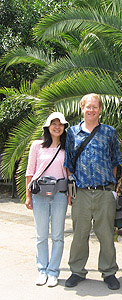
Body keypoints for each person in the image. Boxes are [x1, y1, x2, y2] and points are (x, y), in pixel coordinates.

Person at [64, 93, 122, 290]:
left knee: (106, 234)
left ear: (100, 109)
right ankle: (77, 271)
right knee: (79, 234)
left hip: (104, 192)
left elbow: (115, 162)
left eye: (95, 107)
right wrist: (71, 191)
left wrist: (111, 189)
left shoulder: (109, 132)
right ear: (82, 108)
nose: (91, 110)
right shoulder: (72, 133)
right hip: (80, 192)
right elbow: (69, 164)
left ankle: (108, 271)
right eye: (88, 107)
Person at [25, 112, 69, 287]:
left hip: (60, 195)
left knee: (58, 236)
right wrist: (28, 196)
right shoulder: (37, 145)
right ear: (48, 126)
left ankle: (53, 272)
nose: (57, 127)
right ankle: (42, 270)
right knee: (41, 235)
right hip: (39, 195)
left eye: (60, 124)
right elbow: (30, 171)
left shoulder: (67, 147)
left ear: (64, 127)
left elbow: (68, 172)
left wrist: (70, 194)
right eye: (54, 124)